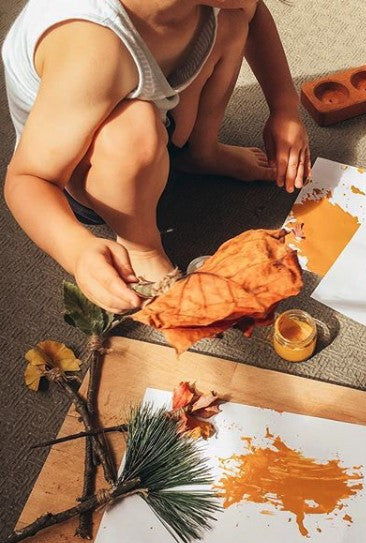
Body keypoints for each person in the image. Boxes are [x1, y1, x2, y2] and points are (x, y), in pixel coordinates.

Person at [2, 0, 311, 314]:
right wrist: (76, 250)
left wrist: (284, 109)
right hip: (92, 163)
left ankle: (201, 153)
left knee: (232, 21)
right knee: (134, 128)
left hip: (159, 111)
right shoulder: (90, 46)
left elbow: (254, 12)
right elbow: (27, 179)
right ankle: (141, 243)